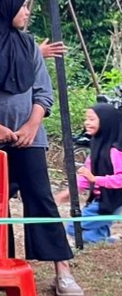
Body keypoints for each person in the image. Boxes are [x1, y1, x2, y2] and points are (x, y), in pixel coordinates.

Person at [0, 0, 83, 296]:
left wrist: (31, 125)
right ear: (1, 7)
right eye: (22, 5)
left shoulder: (27, 44)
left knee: (40, 198)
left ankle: (62, 270)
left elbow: (42, 91)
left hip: (30, 137)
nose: (26, 11)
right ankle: (0, 263)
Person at [61, 103, 122, 245]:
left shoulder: (115, 151)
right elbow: (86, 174)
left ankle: (104, 243)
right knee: (96, 231)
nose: (87, 122)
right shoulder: (97, 146)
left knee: (74, 227)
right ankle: (106, 243)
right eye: (86, 119)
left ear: (106, 122)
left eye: (92, 119)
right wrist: (72, 191)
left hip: (112, 201)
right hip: (101, 199)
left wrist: (96, 179)